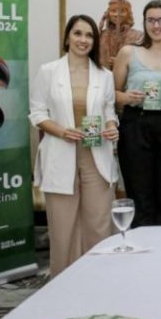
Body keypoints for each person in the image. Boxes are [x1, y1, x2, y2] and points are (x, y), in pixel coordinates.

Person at [29, 15, 119, 276]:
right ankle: (62, 282)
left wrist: (112, 126)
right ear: (67, 37)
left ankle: (98, 278)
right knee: (63, 226)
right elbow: (37, 113)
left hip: (96, 156)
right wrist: (62, 131)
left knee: (98, 223)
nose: (83, 40)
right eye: (78, 34)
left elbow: (109, 110)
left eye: (89, 35)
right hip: (61, 153)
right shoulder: (48, 72)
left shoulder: (105, 76)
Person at [113, 0, 161, 227]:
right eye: (151, 20)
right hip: (136, 125)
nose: (156, 25)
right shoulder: (128, 52)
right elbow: (110, 94)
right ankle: (140, 252)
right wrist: (126, 97)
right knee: (140, 195)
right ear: (144, 23)